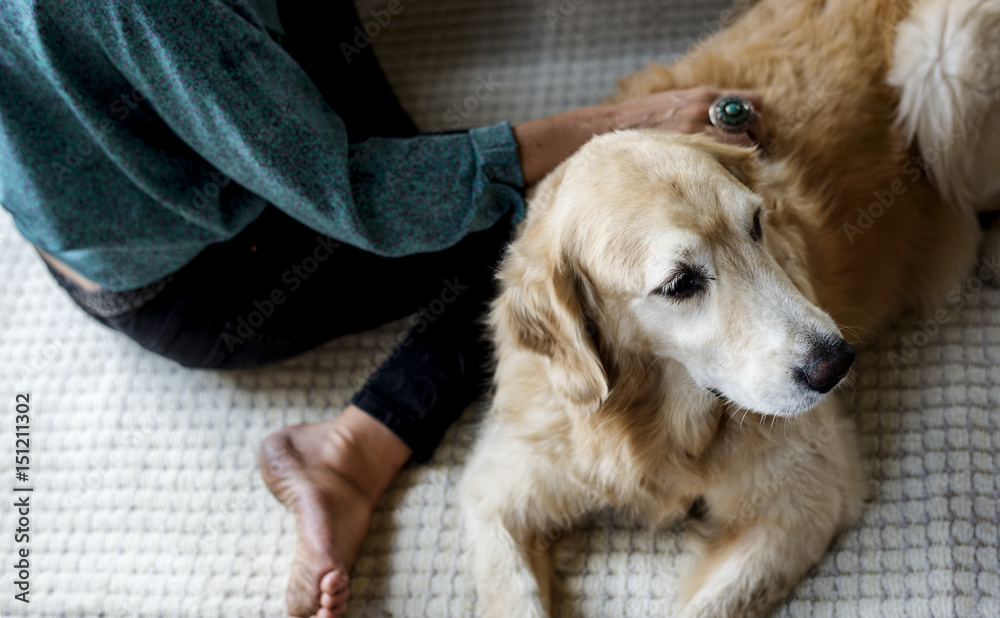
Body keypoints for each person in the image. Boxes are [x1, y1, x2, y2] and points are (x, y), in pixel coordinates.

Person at [0, 1, 766, 616]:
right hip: (210, 274)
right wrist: (616, 126)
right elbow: (369, 196)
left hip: (90, 182)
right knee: (549, 247)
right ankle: (349, 454)